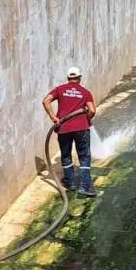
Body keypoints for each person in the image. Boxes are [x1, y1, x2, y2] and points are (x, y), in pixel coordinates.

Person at [43, 66, 98, 197]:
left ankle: (70, 182)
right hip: (81, 129)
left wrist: (53, 118)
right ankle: (85, 187)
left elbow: (46, 101)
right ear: (79, 78)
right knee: (84, 157)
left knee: (66, 154)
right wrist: (86, 119)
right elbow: (92, 110)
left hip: (64, 127)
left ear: (68, 78)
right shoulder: (85, 92)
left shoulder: (60, 89)